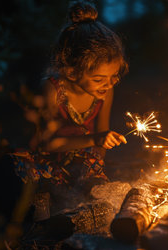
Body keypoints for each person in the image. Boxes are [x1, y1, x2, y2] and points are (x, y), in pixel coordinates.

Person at [11, 0, 128, 217]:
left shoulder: (105, 93)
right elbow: (46, 142)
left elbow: (100, 136)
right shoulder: (53, 90)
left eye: (114, 77)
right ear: (72, 72)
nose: (109, 84)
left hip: (76, 155)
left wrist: (94, 164)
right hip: (43, 155)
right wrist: (95, 140)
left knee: (94, 182)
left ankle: (81, 203)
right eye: (100, 78)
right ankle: (41, 213)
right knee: (30, 170)